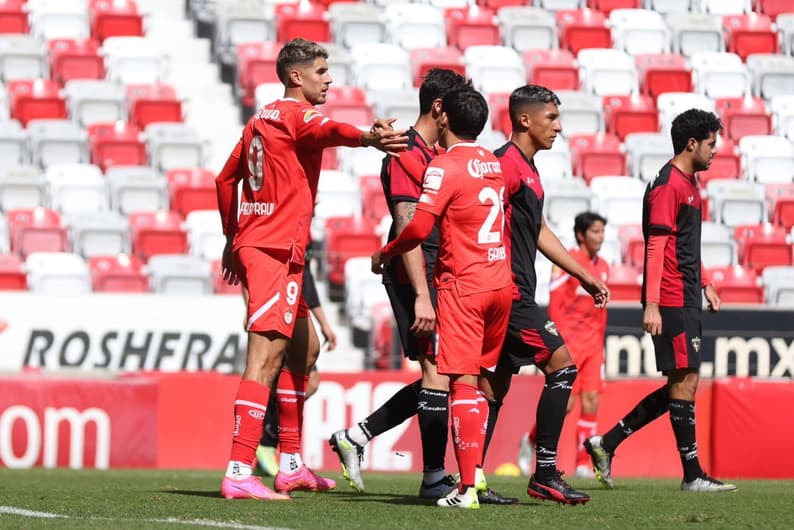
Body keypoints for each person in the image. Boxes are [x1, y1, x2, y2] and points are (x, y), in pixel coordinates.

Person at [215, 38, 406, 501]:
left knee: (305, 350)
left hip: (278, 248)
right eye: (321, 71)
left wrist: (230, 238)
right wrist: (369, 137)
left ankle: (292, 465)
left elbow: (226, 178)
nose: (329, 79)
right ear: (296, 76)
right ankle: (239, 469)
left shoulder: (260, 118)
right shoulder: (298, 115)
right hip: (272, 250)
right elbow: (331, 131)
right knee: (263, 360)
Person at [329, 68, 512, 504]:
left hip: (445, 273)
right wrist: (423, 298)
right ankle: (434, 477)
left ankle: (359, 437)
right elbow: (408, 223)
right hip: (421, 275)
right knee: (437, 371)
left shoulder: (438, 153)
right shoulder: (404, 154)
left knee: (445, 374)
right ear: (439, 109)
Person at [585, 109, 737, 493]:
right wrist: (651, 303)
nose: (715, 151)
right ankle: (692, 476)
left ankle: (607, 443)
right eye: (711, 144)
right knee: (685, 382)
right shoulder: (668, 185)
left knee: (682, 382)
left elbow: (686, 244)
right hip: (669, 298)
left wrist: (705, 283)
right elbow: (656, 246)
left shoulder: (688, 184)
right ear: (692, 144)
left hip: (685, 293)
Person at [477, 85, 610, 506]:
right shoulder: (504, 166)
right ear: (524, 120)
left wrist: (583, 274)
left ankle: (471, 478)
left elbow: (536, 232)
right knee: (563, 367)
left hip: (513, 292)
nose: (559, 126)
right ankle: (546, 472)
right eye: (551, 118)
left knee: (494, 388)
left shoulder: (528, 170)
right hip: (508, 295)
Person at [256, 262, 337, 477]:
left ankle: (275, 447)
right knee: (272, 372)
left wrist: (324, 323)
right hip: (280, 302)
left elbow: (307, 282)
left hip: (297, 302)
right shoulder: (289, 231)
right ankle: (267, 445)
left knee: (310, 381)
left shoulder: (305, 236)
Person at [548, 212, 609, 478]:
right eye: (595, 232)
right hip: (570, 344)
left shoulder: (604, 265)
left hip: (594, 344)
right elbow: (555, 303)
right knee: (567, 405)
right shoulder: (567, 262)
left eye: (603, 232)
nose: (601, 237)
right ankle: (532, 440)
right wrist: (556, 342)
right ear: (581, 235)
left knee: (592, 400)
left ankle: (584, 462)